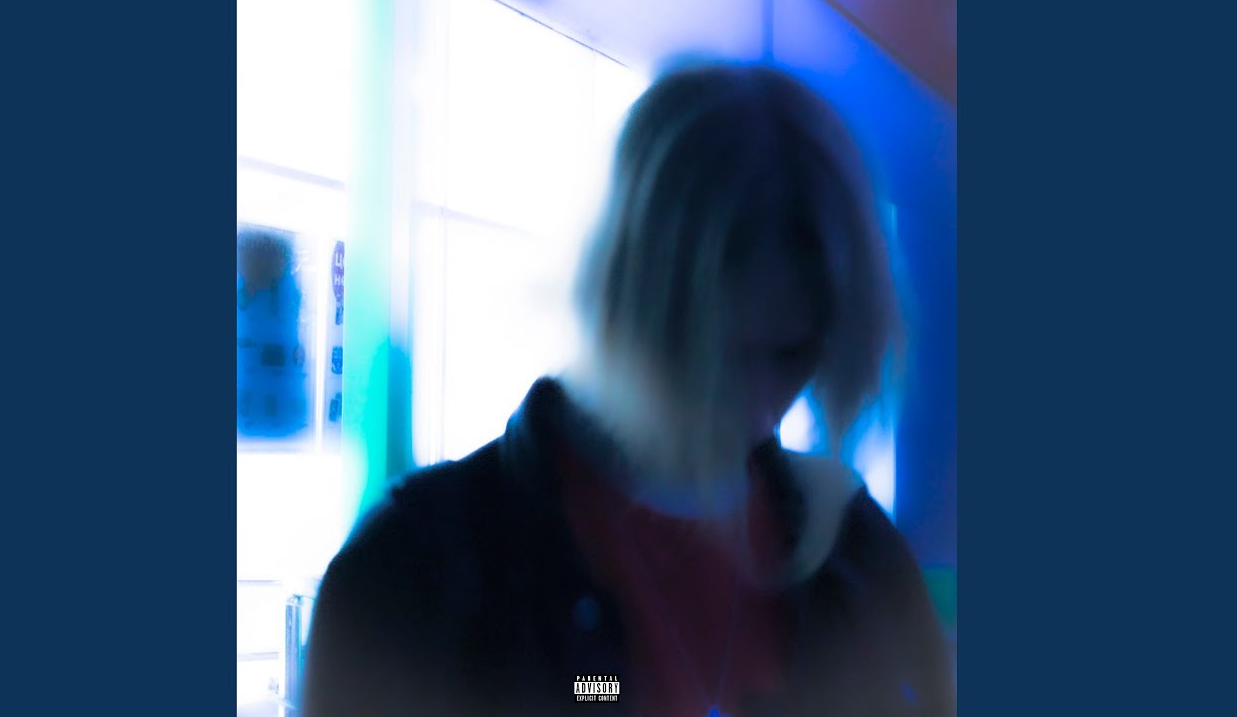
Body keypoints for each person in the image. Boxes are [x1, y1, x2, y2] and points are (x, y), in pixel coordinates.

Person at [302, 61, 955, 717]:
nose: (755, 401)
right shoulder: (414, 577)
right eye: (713, 354)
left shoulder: (859, 560)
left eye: (791, 356)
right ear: (623, 300)